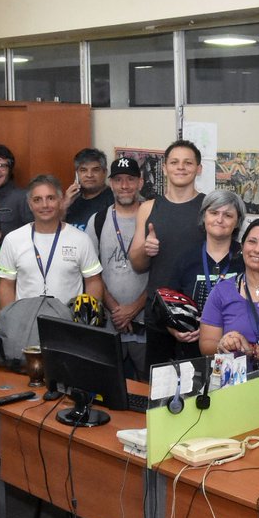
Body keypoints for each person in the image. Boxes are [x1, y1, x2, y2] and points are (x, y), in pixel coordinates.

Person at [129, 140, 206, 367]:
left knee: (198, 390)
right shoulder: (148, 208)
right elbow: (137, 264)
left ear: (198, 169)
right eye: (174, 162)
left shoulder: (209, 208)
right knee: (158, 389)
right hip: (159, 313)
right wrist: (146, 250)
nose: (180, 167)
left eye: (188, 162)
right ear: (164, 167)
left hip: (199, 315)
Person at [199, 218, 259, 370]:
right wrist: (223, 345)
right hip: (233, 384)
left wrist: (252, 351)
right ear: (242, 246)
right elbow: (206, 344)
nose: (257, 250)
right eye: (252, 241)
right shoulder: (221, 291)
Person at [0, 174, 103, 308]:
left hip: (68, 323)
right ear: (30, 204)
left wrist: (88, 317)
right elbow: (6, 285)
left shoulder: (81, 239)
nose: (44, 205)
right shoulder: (13, 239)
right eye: (37, 199)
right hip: (25, 322)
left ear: (60, 201)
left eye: (50, 198)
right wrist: (11, 318)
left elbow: (93, 281)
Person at [87, 156, 149, 378]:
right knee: (110, 384)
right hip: (109, 322)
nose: (124, 186)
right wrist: (116, 310)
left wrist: (133, 309)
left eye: (131, 179)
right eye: (119, 180)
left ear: (140, 183)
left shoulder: (153, 218)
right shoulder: (98, 220)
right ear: (111, 183)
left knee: (147, 385)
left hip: (145, 321)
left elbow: (163, 272)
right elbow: (92, 273)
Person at [167, 190, 246, 359]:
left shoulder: (247, 259)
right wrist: (174, 330)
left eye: (228, 215)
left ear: (237, 222)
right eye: (214, 212)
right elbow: (167, 306)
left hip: (236, 352)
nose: (219, 219)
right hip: (190, 354)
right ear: (204, 217)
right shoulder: (185, 259)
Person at [64, 147, 114, 229]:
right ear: (77, 174)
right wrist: (64, 205)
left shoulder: (113, 200)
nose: (89, 175)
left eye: (95, 170)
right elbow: (53, 231)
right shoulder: (71, 199)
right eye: (83, 170)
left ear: (105, 172)